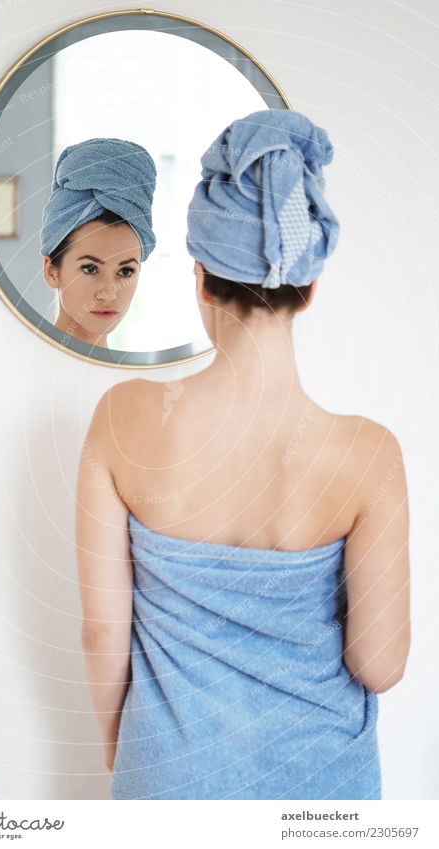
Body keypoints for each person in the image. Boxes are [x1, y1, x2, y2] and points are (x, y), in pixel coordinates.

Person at [75, 109, 411, 799]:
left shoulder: (122, 419)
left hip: (166, 780)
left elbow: (103, 628)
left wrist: (129, 761)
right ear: (309, 287)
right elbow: (378, 664)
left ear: (199, 276)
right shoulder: (367, 455)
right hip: (322, 791)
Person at [40, 138, 156, 348]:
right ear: (51, 272)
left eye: (126, 271)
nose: (109, 293)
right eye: (90, 269)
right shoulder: (15, 369)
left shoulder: (138, 379)